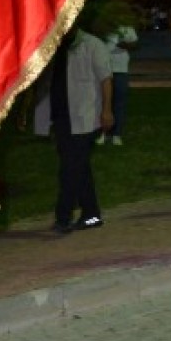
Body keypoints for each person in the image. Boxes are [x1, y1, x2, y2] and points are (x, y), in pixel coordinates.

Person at [34, 23, 114, 233]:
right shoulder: (53, 46)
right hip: (61, 119)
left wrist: (107, 111)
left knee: (70, 170)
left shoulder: (92, 45)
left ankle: (63, 217)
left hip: (85, 119)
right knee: (79, 169)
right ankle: (91, 215)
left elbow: (106, 80)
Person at [99, 18, 139, 146]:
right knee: (103, 102)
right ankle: (103, 133)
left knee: (119, 103)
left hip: (120, 70)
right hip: (104, 69)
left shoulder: (127, 28)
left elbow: (134, 44)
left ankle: (116, 134)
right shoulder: (103, 28)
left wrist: (123, 44)